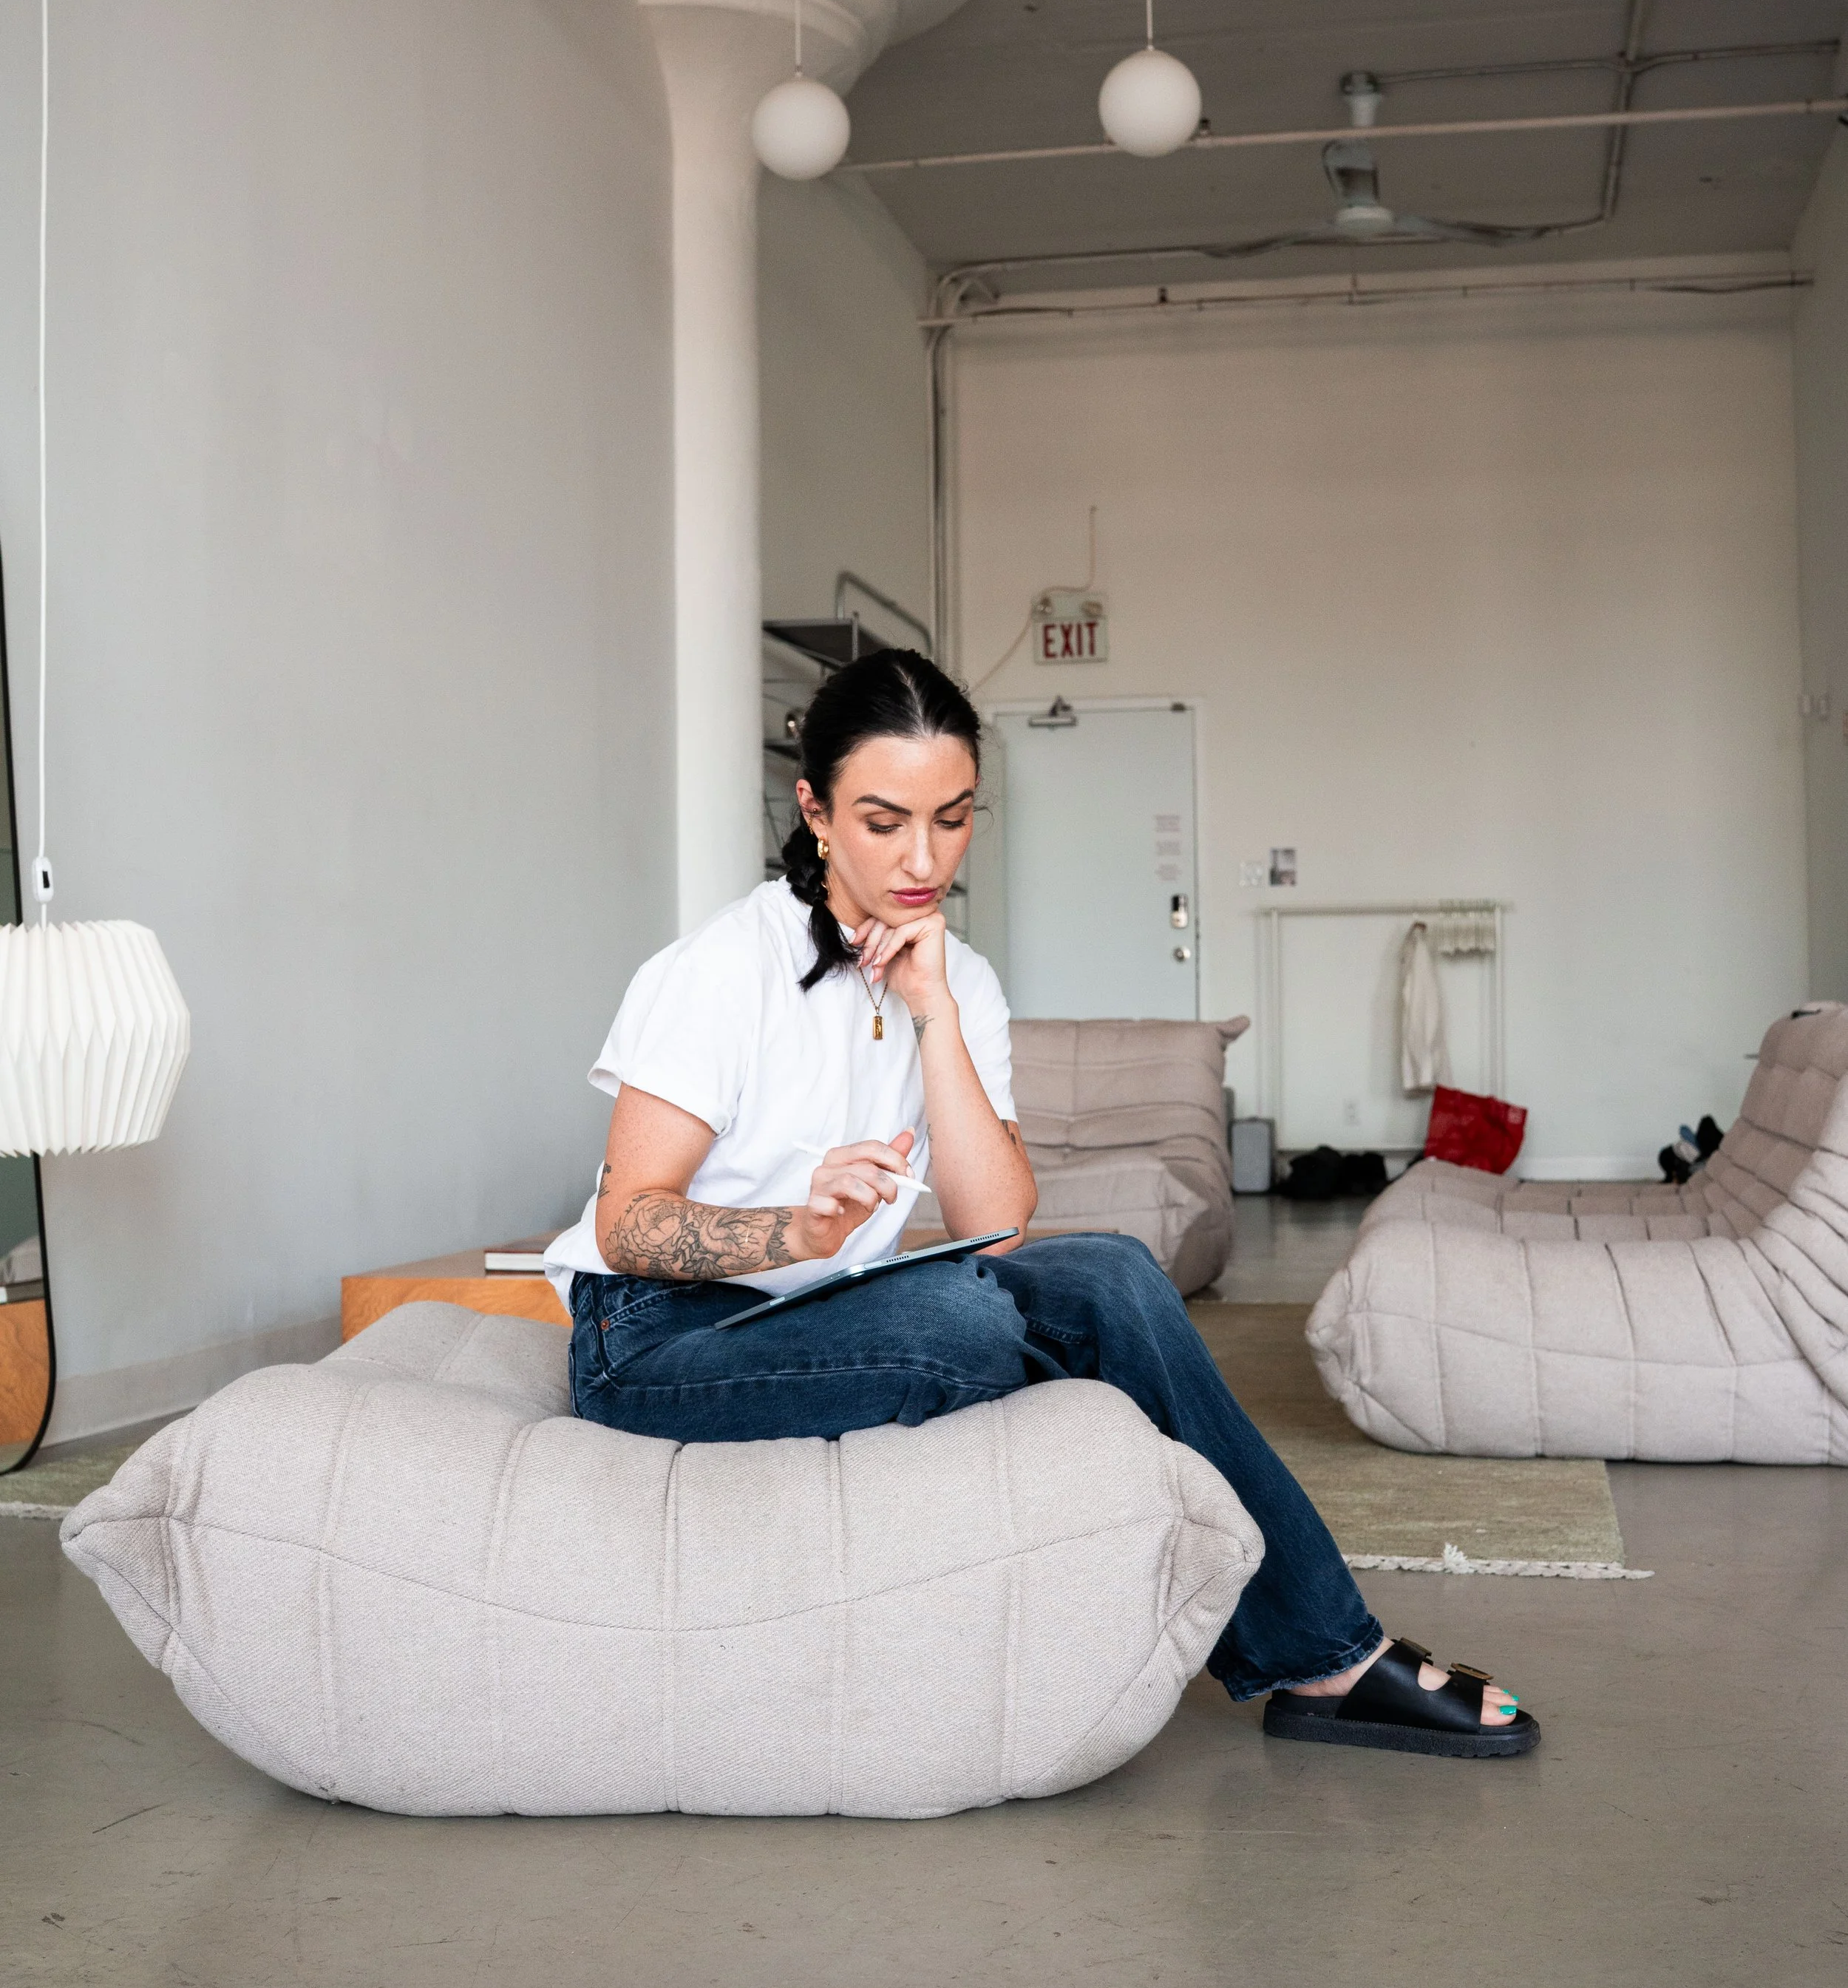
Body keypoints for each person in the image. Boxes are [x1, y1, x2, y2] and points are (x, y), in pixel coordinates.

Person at [545, 649, 1538, 1761]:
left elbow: (997, 1220)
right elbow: (631, 1221)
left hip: (824, 1303)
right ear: (814, 808)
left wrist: (932, 1014)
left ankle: (1324, 1657)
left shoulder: (957, 976)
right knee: (961, 1320)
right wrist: (794, 1230)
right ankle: (1237, 1572)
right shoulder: (724, 969)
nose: (925, 858)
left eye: (954, 817)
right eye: (884, 822)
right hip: (658, 1335)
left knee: (1108, 1273)